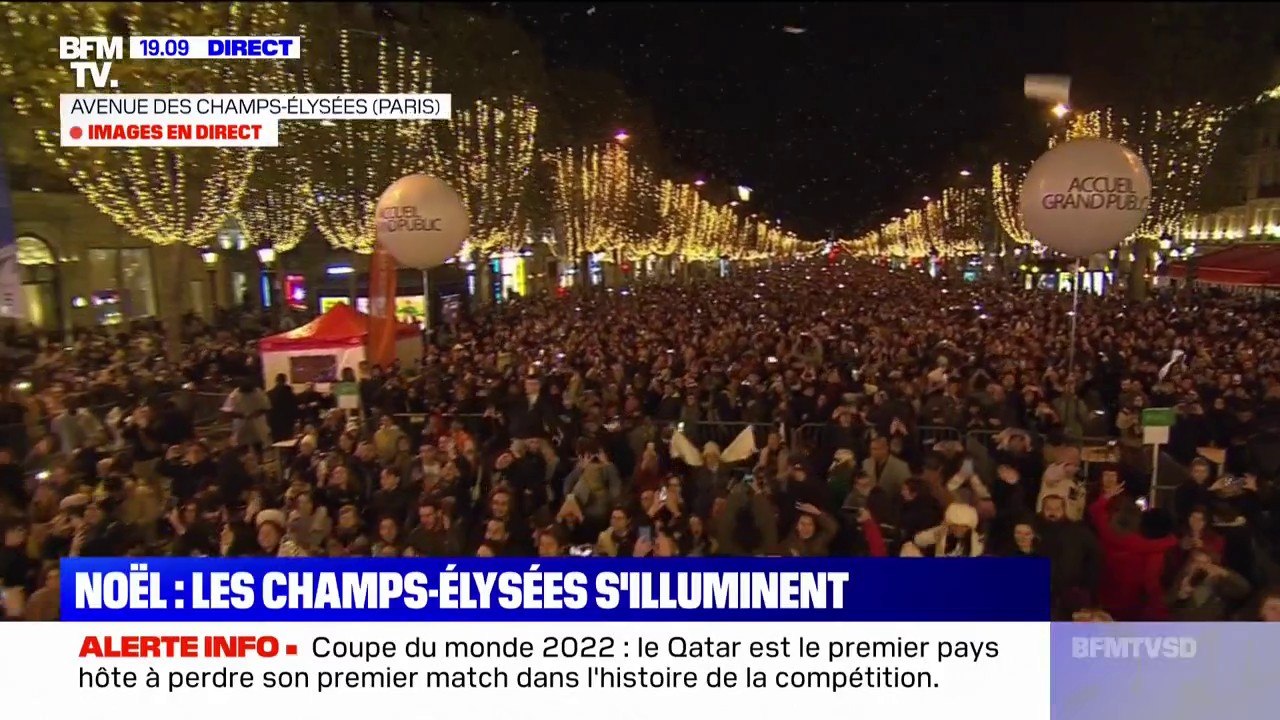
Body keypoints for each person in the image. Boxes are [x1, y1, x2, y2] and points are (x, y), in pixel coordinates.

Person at [1166, 548, 1251, 621]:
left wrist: (1222, 572)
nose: (1201, 566)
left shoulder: (1219, 581)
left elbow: (1244, 590)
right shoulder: (1182, 580)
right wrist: (1182, 598)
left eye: (1205, 563)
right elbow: (1170, 604)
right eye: (1196, 562)